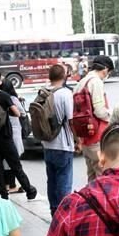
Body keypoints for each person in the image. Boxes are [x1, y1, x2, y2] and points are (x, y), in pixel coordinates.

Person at [0, 69, 37, 200]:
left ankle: (3, 193)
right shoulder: (3, 96)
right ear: (0, 80)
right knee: (15, 164)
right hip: (6, 135)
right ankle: (29, 189)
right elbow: (17, 113)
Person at [73, 55, 114, 181]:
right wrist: (112, 115)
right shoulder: (96, 82)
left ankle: (90, 201)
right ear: (105, 70)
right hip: (97, 135)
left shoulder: (81, 82)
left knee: (91, 176)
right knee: (102, 177)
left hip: (85, 135)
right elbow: (99, 111)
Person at [41, 64, 74, 215]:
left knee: (51, 180)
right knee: (64, 181)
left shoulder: (43, 92)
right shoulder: (65, 93)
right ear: (64, 76)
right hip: (63, 145)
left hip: (47, 143)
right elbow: (70, 120)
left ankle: (54, 210)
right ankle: (64, 212)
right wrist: (78, 141)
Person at [0, 79, 27, 193]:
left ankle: (6, 184)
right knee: (14, 159)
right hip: (14, 131)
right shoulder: (13, 99)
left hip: (2, 131)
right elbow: (23, 113)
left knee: (5, 159)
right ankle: (12, 185)